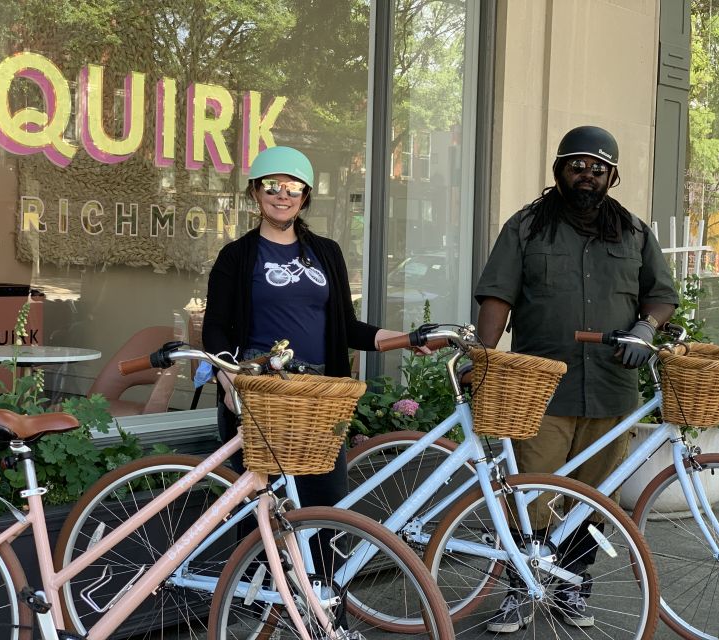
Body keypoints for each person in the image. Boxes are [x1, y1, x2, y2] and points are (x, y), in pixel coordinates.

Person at [473, 125, 678, 632]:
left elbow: (661, 293)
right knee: (532, 493)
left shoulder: (633, 232)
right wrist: (482, 355)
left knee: (593, 497)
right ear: (559, 171)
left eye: (597, 167)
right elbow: (498, 294)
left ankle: (570, 586)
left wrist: (645, 327)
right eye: (576, 165)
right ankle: (521, 588)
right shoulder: (526, 227)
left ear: (612, 175)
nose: (586, 175)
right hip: (540, 387)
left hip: (612, 387)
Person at [202, 145, 421, 510]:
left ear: (304, 197)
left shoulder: (327, 253)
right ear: (255, 192)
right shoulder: (236, 257)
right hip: (260, 394)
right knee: (262, 511)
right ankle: (256, 571)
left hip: (319, 397)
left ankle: (319, 571)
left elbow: (347, 328)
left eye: (293, 187)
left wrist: (405, 340)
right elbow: (215, 331)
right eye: (272, 186)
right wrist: (229, 384)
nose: (282, 195)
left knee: (324, 506)